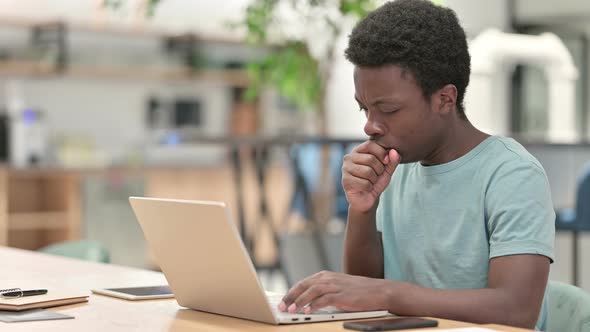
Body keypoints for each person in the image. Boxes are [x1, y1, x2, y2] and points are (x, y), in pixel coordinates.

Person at [277, 0, 555, 330]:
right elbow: (362, 295)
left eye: (388, 110)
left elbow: (515, 309)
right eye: (364, 109)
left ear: (444, 99)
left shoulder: (512, 174)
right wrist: (362, 208)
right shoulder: (396, 167)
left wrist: (389, 294)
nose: (370, 126)